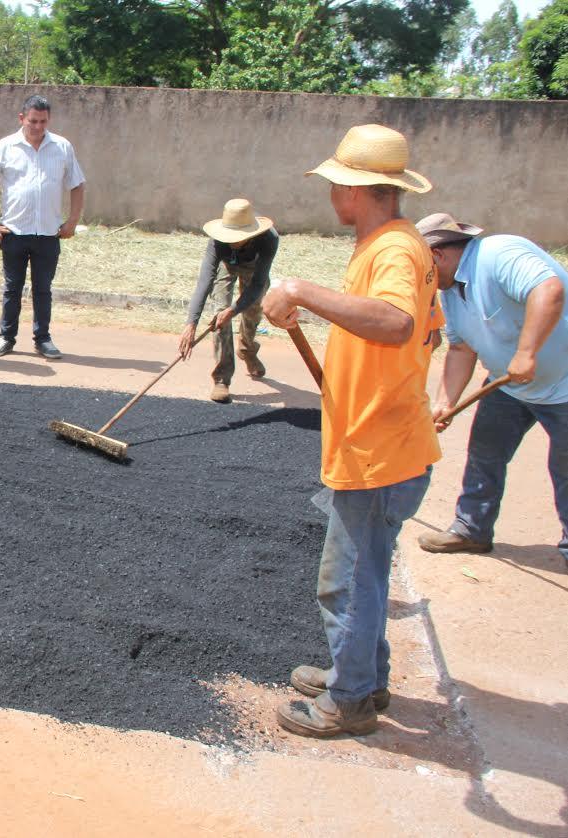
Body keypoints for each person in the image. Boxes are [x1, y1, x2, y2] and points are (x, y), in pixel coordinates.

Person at [260, 124, 441, 738]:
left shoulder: (393, 251)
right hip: (384, 436)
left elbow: (395, 324)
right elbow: (428, 330)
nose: (332, 190)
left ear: (357, 189)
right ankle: (364, 673)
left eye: (337, 181)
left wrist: (302, 291)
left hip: (378, 450)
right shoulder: (394, 243)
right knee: (368, 571)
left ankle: (351, 700)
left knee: (347, 580)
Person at [413, 212, 568, 564]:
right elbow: (460, 348)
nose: (416, 279)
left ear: (436, 257)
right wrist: (444, 402)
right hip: (510, 387)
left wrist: (527, 353)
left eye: (418, 268)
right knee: (485, 453)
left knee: (566, 468)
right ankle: (472, 530)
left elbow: (549, 289)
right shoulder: (449, 291)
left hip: (564, 387)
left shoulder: (500, 254)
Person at [0, 94, 85, 361]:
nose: (37, 127)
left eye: (43, 122)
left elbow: (77, 184)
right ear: (21, 118)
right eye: (33, 121)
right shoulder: (5, 147)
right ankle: (6, 337)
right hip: (14, 233)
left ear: (49, 120)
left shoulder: (62, 147)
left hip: (48, 233)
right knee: (12, 288)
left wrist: (72, 221)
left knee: (43, 289)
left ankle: (43, 339)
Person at [178, 198, 278, 402]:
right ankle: (222, 378)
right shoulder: (217, 241)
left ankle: (248, 350)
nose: (232, 240)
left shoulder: (269, 239)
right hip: (228, 264)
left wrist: (234, 310)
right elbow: (204, 282)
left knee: (253, 309)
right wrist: (191, 322)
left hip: (254, 266)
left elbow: (258, 284)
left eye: (237, 237)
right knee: (219, 313)